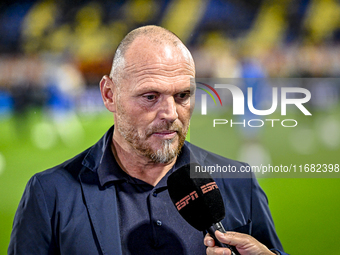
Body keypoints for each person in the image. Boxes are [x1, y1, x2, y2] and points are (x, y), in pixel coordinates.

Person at [8, 25, 288, 255]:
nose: (170, 114)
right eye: (150, 97)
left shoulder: (239, 183)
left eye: (182, 96)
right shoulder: (50, 194)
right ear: (109, 95)